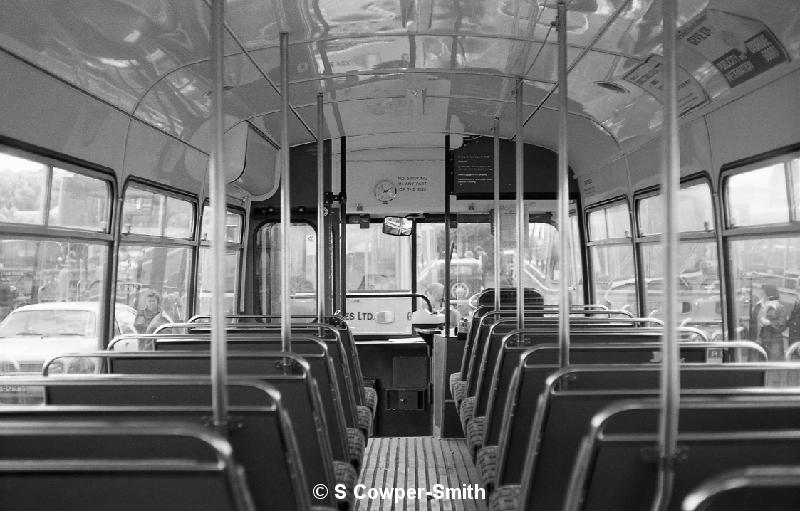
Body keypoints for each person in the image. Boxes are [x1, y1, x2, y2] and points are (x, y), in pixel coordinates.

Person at [752, 284, 787, 361]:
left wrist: (769, 323)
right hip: (759, 341)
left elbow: (782, 326)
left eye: (763, 291)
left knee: (773, 366)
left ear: (768, 294)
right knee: (759, 366)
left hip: (774, 342)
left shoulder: (779, 308)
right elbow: (753, 323)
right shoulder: (758, 306)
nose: (761, 293)